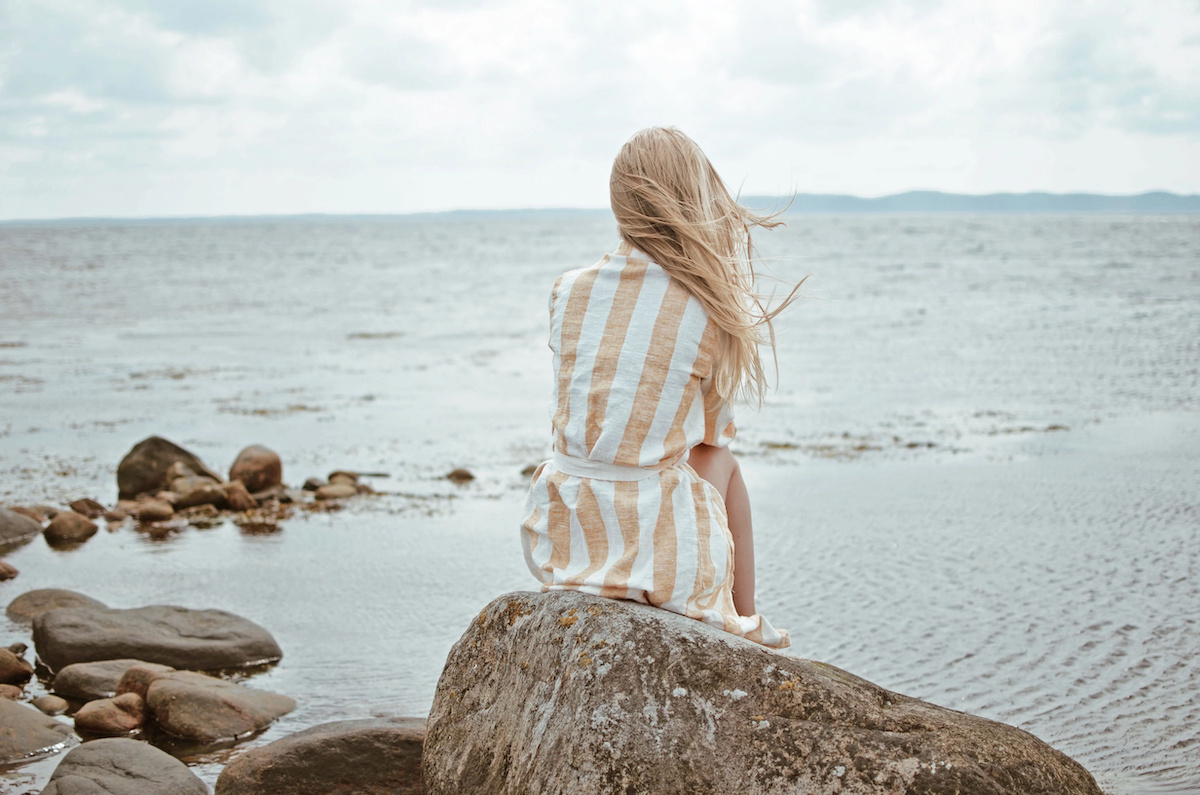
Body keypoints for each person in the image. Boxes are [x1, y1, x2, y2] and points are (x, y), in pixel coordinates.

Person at [520, 126, 800, 648]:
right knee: (723, 464)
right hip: (658, 544)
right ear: (695, 201)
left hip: (566, 530)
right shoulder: (705, 306)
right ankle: (745, 623)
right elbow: (713, 435)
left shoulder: (567, 290)